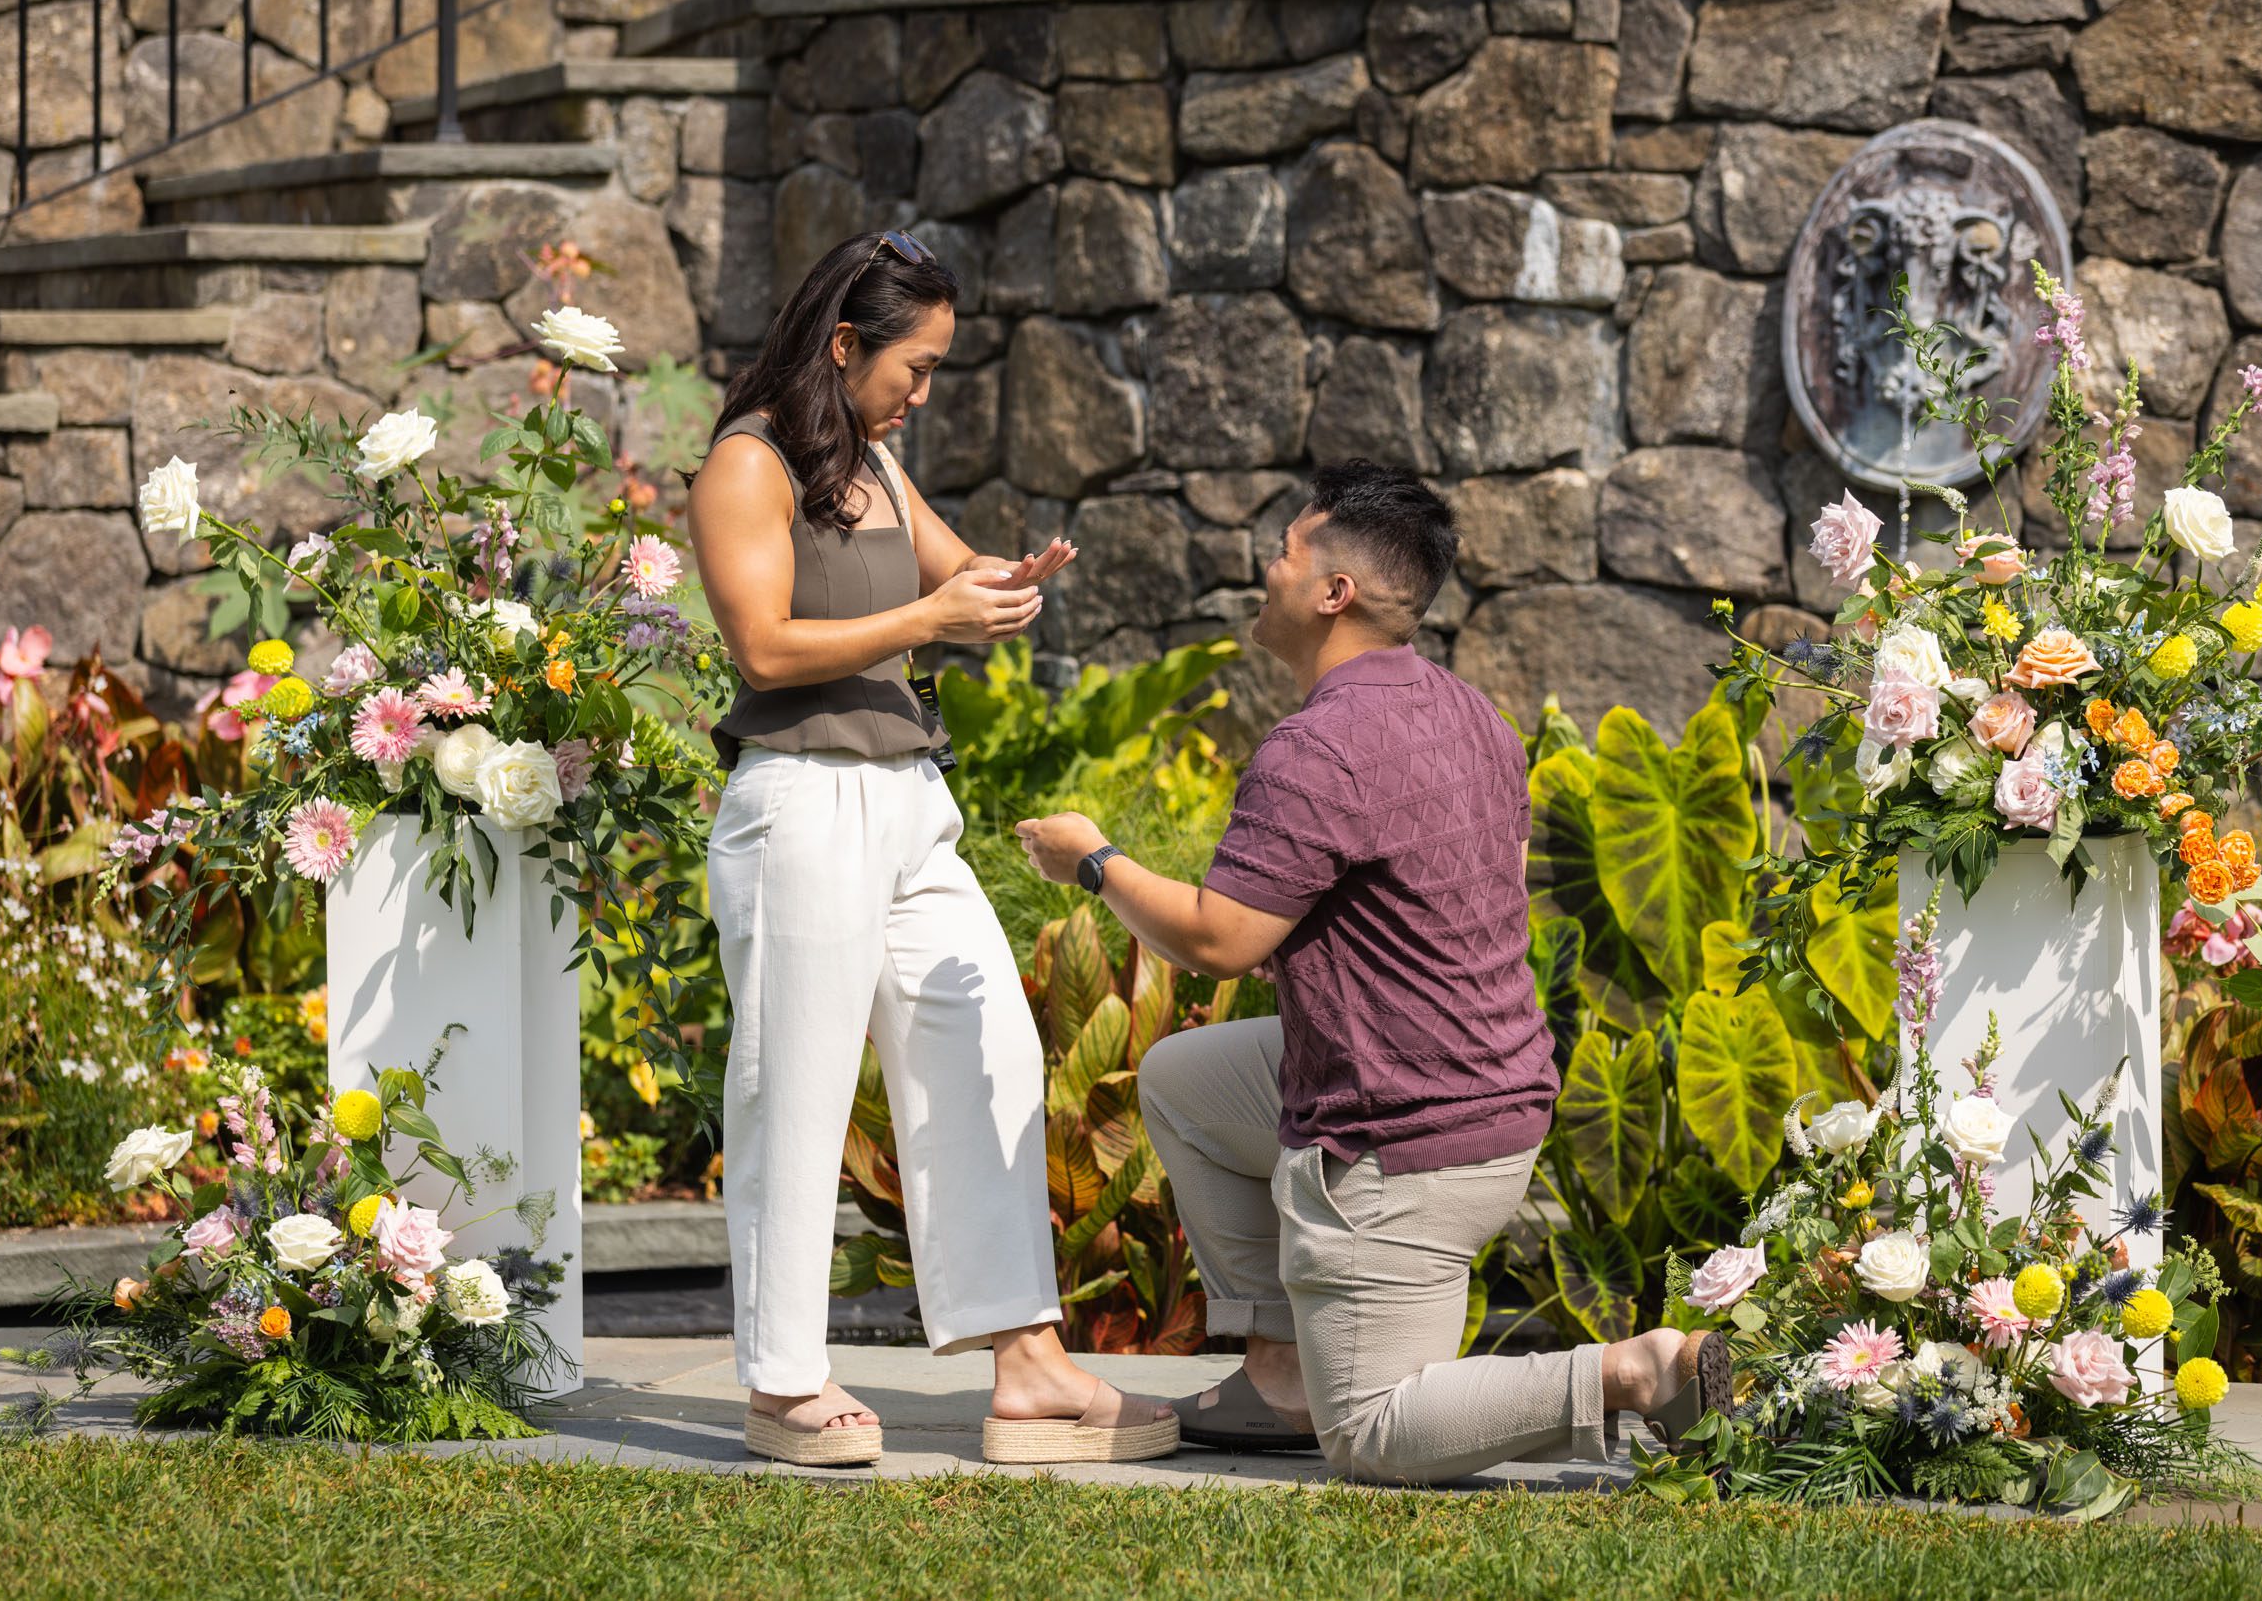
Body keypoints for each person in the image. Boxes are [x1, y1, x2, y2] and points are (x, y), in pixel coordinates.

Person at [1015, 460, 1728, 1485]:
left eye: (1284, 551)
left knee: (1377, 1433)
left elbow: (1220, 941)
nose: (1266, 568)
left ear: (1332, 590)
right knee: (1182, 1079)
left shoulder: (1317, 749)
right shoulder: (1473, 713)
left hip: (1403, 1139)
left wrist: (1093, 857)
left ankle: (1633, 1369)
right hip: (1495, 1094)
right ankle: (1279, 1375)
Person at [688, 229, 1177, 1467]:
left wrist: (1009, 588)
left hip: (910, 798)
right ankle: (783, 1383)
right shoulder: (747, 465)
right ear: (844, 346)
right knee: (792, 1087)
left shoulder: (880, 469)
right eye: (915, 364)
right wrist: (932, 613)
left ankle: (1026, 1363)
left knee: (988, 1052)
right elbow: (764, 646)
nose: (924, 391)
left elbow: (963, 579)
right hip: (800, 799)